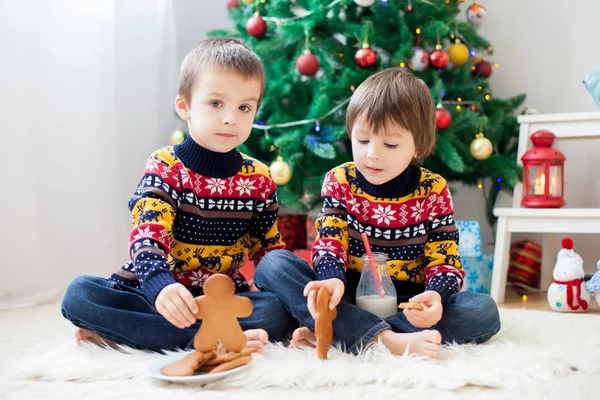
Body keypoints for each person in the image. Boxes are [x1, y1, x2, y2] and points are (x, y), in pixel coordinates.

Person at [61, 37, 295, 353]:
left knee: (274, 312)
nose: (230, 118)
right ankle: (209, 337)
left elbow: (267, 250)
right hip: (156, 293)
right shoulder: (166, 165)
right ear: (184, 106)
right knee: (80, 295)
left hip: (220, 297)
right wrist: (161, 286)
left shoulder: (259, 178)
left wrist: (294, 301)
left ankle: (162, 333)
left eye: (244, 107)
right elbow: (147, 236)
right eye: (216, 104)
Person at [254, 68, 500, 359]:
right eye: (362, 140)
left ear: (417, 146)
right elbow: (329, 242)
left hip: (408, 304)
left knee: (483, 311)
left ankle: (338, 331)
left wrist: (435, 295)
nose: (372, 153)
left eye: (390, 144)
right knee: (272, 264)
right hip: (343, 294)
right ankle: (383, 338)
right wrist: (332, 277)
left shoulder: (434, 189)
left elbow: (445, 260)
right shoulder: (340, 180)